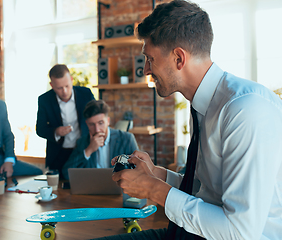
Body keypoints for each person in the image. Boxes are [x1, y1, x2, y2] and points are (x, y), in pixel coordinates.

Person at [97, 1, 282, 240]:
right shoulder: (203, 105)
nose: (145, 70)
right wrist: (157, 175)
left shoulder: (244, 110)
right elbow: (207, 192)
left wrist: (153, 189)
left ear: (178, 58)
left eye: (150, 59)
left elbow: (240, 232)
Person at [36, 64, 95, 179]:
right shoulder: (44, 100)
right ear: (52, 85)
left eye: (67, 86)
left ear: (72, 79)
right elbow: (40, 129)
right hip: (59, 154)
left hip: (84, 150)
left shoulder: (86, 94)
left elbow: (97, 115)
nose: (64, 91)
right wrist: (56, 132)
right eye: (59, 88)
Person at [62, 100, 138, 179]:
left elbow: (138, 171)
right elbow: (66, 173)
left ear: (108, 121)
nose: (97, 129)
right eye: (92, 124)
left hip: (119, 188)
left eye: (100, 123)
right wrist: (89, 150)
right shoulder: (83, 142)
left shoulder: (126, 139)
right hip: (91, 189)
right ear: (87, 124)